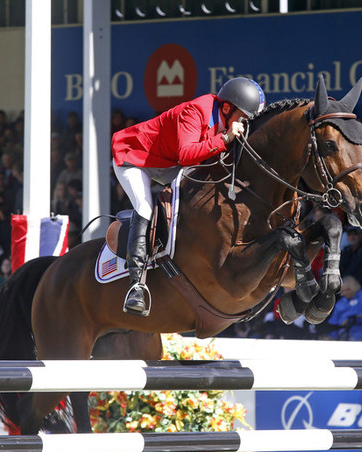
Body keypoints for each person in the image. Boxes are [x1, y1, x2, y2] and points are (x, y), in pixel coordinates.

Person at [111, 77, 265, 315]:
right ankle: (136, 285)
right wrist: (225, 139)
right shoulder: (196, 111)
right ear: (226, 108)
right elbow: (187, 155)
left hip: (167, 161)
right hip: (135, 158)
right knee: (144, 208)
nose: (245, 125)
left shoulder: (226, 118)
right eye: (243, 118)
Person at [326, 276, 362, 341]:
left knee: (350, 339)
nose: (345, 293)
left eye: (347, 290)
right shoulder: (341, 302)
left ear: (353, 287)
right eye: (343, 291)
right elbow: (333, 321)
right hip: (343, 331)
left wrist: (352, 319)